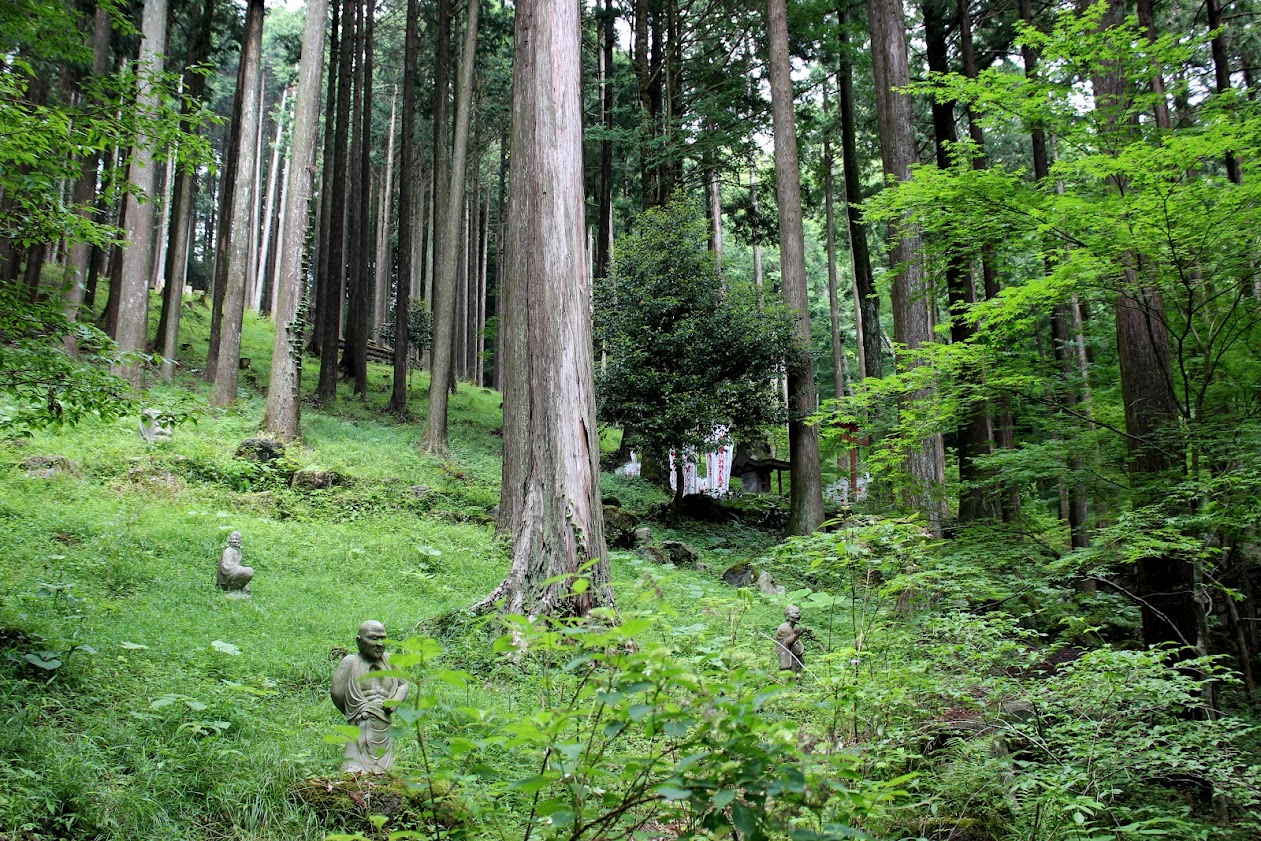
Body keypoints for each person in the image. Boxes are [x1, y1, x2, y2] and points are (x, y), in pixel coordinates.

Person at [331, 621, 409, 773]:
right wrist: (354, 709)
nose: (380, 644)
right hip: (361, 722)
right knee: (353, 770)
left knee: (385, 771)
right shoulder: (351, 662)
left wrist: (395, 701)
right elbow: (337, 692)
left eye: (383, 638)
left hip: (384, 724)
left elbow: (403, 684)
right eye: (374, 638)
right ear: (359, 641)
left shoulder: (390, 660)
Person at [775, 604, 810, 674]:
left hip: (796, 658)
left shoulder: (794, 627)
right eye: (795, 613)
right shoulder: (783, 628)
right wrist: (797, 634)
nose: (798, 615)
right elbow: (785, 642)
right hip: (788, 658)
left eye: (799, 613)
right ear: (787, 616)